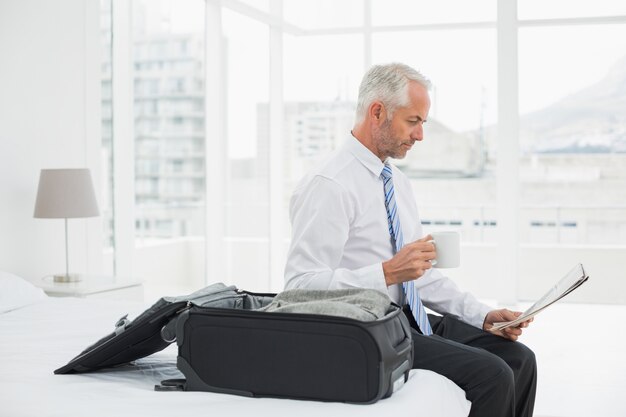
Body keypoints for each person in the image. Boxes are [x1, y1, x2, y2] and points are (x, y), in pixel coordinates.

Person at [284, 63, 537, 417]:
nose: (420, 135)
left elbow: (420, 274)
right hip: (365, 328)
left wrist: (483, 316)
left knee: (520, 359)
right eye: (413, 121)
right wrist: (386, 272)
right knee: (493, 374)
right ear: (377, 112)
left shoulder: (396, 183)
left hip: (407, 318)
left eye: (423, 123)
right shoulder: (330, 185)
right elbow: (299, 285)